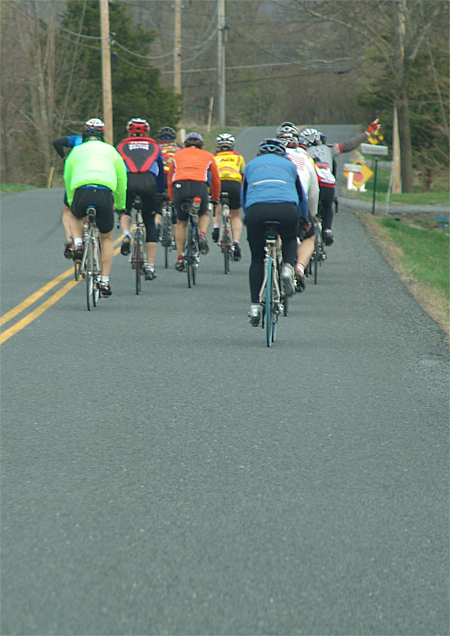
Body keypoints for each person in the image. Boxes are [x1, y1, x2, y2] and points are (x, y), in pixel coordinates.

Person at [241, 138, 306, 326]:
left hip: (257, 210)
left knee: (256, 258)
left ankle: (254, 306)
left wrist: (247, 216)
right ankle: (287, 267)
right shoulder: (290, 165)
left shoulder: (250, 165)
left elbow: (243, 195)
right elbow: (300, 195)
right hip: (286, 209)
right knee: (289, 238)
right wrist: (304, 218)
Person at [63, 118, 127, 297]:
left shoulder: (76, 150)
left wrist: (70, 199)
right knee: (106, 239)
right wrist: (121, 205)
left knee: (75, 216)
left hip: (82, 191)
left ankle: (77, 244)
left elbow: (68, 176)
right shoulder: (112, 151)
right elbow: (122, 180)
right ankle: (105, 282)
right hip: (105, 193)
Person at [298, 119, 381, 246]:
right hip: (327, 183)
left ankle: (302, 232)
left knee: (305, 208)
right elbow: (349, 145)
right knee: (327, 206)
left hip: (310, 185)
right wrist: (367, 133)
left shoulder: (301, 152)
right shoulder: (329, 148)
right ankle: (327, 229)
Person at [116, 118, 165, 280]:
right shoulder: (154, 146)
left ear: (129, 132)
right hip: (148, 182)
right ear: (147, 132)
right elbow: (160, 170)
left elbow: (116, 167)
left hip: (128, 181)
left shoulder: (122, 145)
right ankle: (150, 265)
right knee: (150, 222)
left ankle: (125, 233)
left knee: (125, 210)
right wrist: (160, 191)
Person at [167, 132, 221, 272]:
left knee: (181, 222)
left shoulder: (177, 155)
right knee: (203, 213)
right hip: (199, 185)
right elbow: (215, 179)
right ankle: (202, 233)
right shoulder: (208, 155)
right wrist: (215, 198)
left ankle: (180, 258)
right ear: (201, 145)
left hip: (180, 186)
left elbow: (170, 177)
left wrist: (172, 199)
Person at [276, 123, 319, 291]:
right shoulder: (306, 158)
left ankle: (275, 253)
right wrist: (312, 215)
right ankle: (299, 267)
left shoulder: (271, 155)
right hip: (296, 201)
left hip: (271, 200)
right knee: (309, 236)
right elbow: (314, 190)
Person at [211, 133, 246, 260]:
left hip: (219, 183)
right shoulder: (238, 157)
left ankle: (216, 227)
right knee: (235, 215)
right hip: (234, 184)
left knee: (216, 202)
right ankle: (236, 242)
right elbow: (242, 176)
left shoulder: (213, 157)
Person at [52, 131, 83, 259]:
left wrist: (63, 157)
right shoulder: (103, 145)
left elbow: (57, 142)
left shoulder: (77, 139)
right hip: (97, 180)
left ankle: (70, 240)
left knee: (68, 209)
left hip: (76, 177)